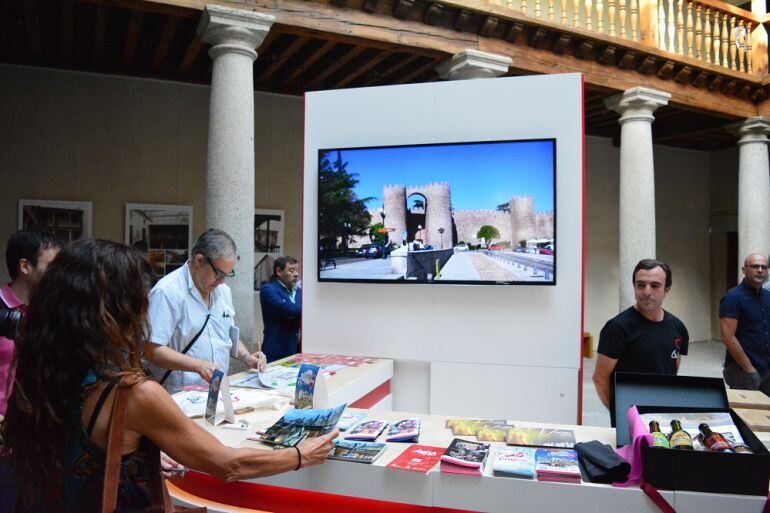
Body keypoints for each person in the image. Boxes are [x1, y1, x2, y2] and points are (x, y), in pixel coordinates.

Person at [1, 239, 338, 513]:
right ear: (119, 310)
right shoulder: (134, 393)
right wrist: (300, 455)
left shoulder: (38, 369)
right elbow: (227, 465)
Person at [145, 229, 266, 392]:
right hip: (177, 395)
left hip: (215, 392)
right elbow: (153, 350)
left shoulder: (223, 291)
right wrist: (198, 365)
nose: (222, 281)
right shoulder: (168, 292)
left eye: (227, 275)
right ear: (199, 260)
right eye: (219, 273)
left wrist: (247, 356)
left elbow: (226, 333)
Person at [593, 259, 689, 423]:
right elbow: (600, 378)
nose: (647, 291)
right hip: (630, 419)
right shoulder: (617, 327)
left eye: (655, 285)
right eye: (641, 285)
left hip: (663, 415)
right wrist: (620, 413)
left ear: (667, 289)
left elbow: (672, 369)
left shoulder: (678, 327)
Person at [0, 230, 61, 416]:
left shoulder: (52, 312)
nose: (58, 275)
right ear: (25, 266)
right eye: (51, 267)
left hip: (32, 428)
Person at [720, 253, 770, 394]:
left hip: (766, 369)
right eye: (755, 266)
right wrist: (749, 369)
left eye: (764, 267)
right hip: (742, 370)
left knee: (765, 414)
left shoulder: (767, 296)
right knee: (744, 414)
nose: (760, 270)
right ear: (744, 270)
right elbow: (727, 337)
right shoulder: (733, 297)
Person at [260, 256, 302, 362]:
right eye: (291, 270)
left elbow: (294, 311)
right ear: (279, 271)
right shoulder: (268, 289)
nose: (296, 274)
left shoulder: (299, 291)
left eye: (297, 270)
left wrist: (294, 312)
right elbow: (284, 308)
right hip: (275, 352)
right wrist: (304, 310)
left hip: (295, 350)